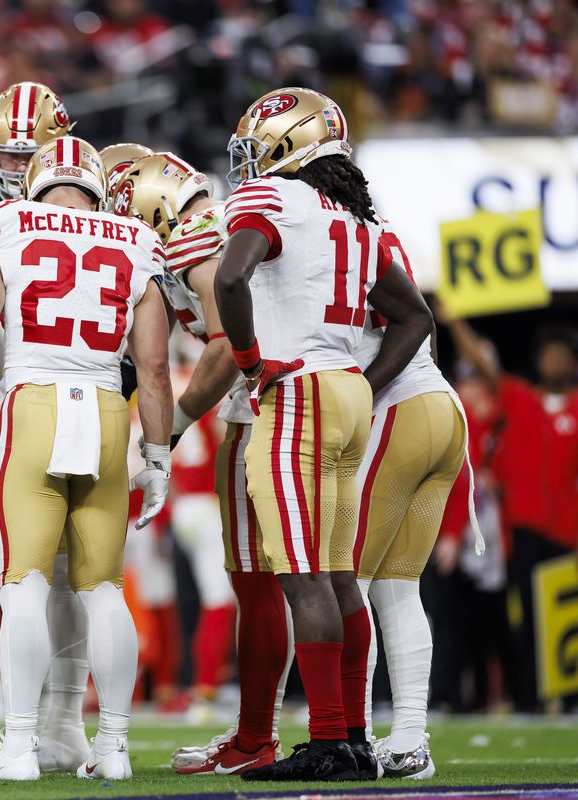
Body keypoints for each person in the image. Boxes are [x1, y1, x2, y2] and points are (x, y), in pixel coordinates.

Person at [213, 87, 433, 781]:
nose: (250, 162)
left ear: (288, 143)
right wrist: (362, 386)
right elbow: (415, 316)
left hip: (298, 391)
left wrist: (249, 362)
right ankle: (357, 736)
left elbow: (229, 278)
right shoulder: (356, 215)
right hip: (346, 391)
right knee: (339, 575)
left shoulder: (270, 202)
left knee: (304, 576)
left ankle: (330, 741)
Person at [0, 135, 173, 781]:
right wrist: (155, 458)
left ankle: (21, 744)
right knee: (103, 588)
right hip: (105, 407)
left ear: (38, 179)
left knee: (24, 581)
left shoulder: (6, 220)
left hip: (32, 403)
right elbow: (154, 368)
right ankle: (115, 748)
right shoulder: (135, 237)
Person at [110, 152, 294, 775]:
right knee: (331, 582)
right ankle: (348, 730)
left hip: (267, 410)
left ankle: (257, 738)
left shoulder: (195, 236)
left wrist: (182, 421)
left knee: (256, 581)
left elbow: (224, 345)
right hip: (333, 395)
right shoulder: (232, 218)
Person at [0, 81, 93, 775]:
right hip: (38, 407)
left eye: (32, 159)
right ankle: (56, 724)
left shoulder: (0, 222)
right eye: (7, 159)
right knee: (39, 575)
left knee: (60, 574)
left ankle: (56, 723)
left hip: (36, 405)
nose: (18, 173)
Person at [353, 231, 472, 780]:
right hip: (442, 407)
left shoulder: (325, 231)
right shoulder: (381, 235)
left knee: (344, 581)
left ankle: (350, 737)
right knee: (398, 587)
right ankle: (409, 741)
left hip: (398, 408)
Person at [441, 312, 578, 712]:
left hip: (568, 532)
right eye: (547, 355)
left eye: (560, 356)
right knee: (528, 621)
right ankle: (530, 700)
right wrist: (454, 323)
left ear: (572, 362)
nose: (552, 362)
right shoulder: (520, 398)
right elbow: (485, 365)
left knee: (568, 619)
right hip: (524, 531)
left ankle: (570, 701)